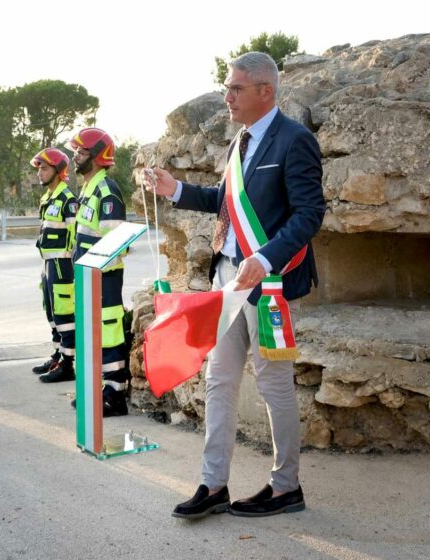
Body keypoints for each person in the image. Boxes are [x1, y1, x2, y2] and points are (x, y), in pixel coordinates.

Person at [145, 52, 325, 518]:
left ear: (266, 91)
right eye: (228, 87)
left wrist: (264, 258)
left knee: (274, 384)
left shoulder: (295, 140)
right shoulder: (239, 142)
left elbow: (309, 214)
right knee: (219, 379)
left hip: (268, 284)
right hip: (227, 279)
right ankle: (213, 484)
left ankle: (286, 487)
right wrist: (175, 189)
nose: (227, 96)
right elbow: (224, 202)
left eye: (236, 88)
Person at [68, 127, 130, 416]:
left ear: (95, 156)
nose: (75, 157)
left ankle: (115, 395)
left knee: (109, 334)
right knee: (94, 335)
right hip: (88, 275)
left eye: (80, 152)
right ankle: (100, 389)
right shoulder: (88, 189)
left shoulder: (107, 190)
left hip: (104, 277)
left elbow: (117, 243)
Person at [29, 148, 77, 383]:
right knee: (51, 313)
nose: (40, 173)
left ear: (58, 171)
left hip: (62, 265)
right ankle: (59, 355)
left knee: (64, 314)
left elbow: (75, 235)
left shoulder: (68, 200)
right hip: (47, 263)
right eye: (39, 168)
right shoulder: (47, 198)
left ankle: (68, 364)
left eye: (44, 168)